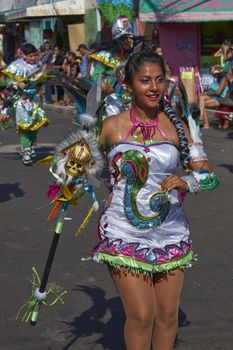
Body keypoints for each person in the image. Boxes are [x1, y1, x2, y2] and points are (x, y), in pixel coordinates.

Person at [91, 50, 219, 350]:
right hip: (123, 231)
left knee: (166, 315)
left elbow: (208, 176)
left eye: (159, 80)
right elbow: (88, 168)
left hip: (171, 232)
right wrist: (69, 174)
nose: (154, 87)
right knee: (142, 314)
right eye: (145, 80)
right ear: (128, 85)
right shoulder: (112, 126)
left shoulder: (178, 127)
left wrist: (186, 180)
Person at [1, 43, 49, 164]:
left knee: (36, 124)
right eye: (31, 56)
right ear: (23, 54)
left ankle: (31, 145)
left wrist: (41, 83)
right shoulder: (15, 66)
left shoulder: (39, 65)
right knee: (25, 126)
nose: (33, 58)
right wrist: (16, 83)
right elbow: (5, 81)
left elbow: (42, 80)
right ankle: (26, 151)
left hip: (36, 99)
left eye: (35, 55)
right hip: (21, 100)